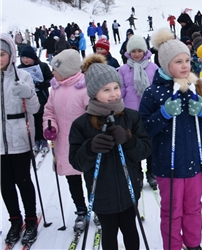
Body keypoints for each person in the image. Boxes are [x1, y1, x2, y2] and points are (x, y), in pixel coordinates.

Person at [138, 28, 202, 250]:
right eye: (178, 61)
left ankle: (193, 244)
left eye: (187, 60)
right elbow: (145, 129)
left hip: (196, 162)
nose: (185, 66)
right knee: (172, 211)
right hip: (168, 165)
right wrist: (163, 114)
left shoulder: (198, 87)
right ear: (165, 65)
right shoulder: (153, 93)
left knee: (194, 208)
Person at [69, 54, 152, 250]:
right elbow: (76, 161)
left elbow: (146, 150)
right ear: (93, 93)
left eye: (116, 87)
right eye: (106, 90)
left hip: (129, 188)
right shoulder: (81, 125)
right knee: (109, 232)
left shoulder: (131, 117)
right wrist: (90, 148)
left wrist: (129, 140)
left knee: (131, 229)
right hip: (101, 193)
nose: (114, 93)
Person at [43, 49, 90, 231]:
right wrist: (50, 125)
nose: (52, 72)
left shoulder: (84, 88)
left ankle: (98, 207)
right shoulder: (55, 89)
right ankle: (80, 210)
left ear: (67, 69)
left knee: (90, 177)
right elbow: (49, 111)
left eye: (55, 69)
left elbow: (92, 115)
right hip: (64, 143)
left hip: (84, 143)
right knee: (72, 178)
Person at [1, 34, 41, 247]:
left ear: (10, 55)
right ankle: (15, 220)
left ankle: (31, 219)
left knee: (23, 181)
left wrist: (29, 95)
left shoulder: (22, 77)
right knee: (5, 184)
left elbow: (35, 109)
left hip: (19, 137)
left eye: (1, 54)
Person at [118, 35, 159, 189]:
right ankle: (137, 174)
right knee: (132, 143)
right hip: (130, 113)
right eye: (133, 51)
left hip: (149, 111)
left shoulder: (153, 68)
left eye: (139, 51)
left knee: (149, 143)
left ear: (145, 51)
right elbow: (120, 88)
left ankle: (151, 172)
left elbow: (157, 87)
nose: (136, 54)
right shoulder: (122, 69)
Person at [18, 45, 53, 153]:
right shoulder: (19, 68)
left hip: (41, 97)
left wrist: (44, 84)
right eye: (23, 58)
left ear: (33, 57)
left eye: (27, 57)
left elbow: (51, 78)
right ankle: (35, 140)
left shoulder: (42, 66)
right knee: (31, 120)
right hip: (27, 99)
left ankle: (43, 139)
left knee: (41, 119)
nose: (25, 60)